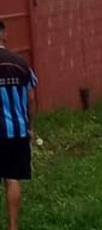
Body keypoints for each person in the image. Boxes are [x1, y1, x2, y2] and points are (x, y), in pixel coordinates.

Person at [0, 20, 37, 230]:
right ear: (4, 35)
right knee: (12, 178)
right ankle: (13, 226)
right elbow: (31, 98)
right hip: (18, 130)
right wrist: (31, 127)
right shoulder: (20, 63)